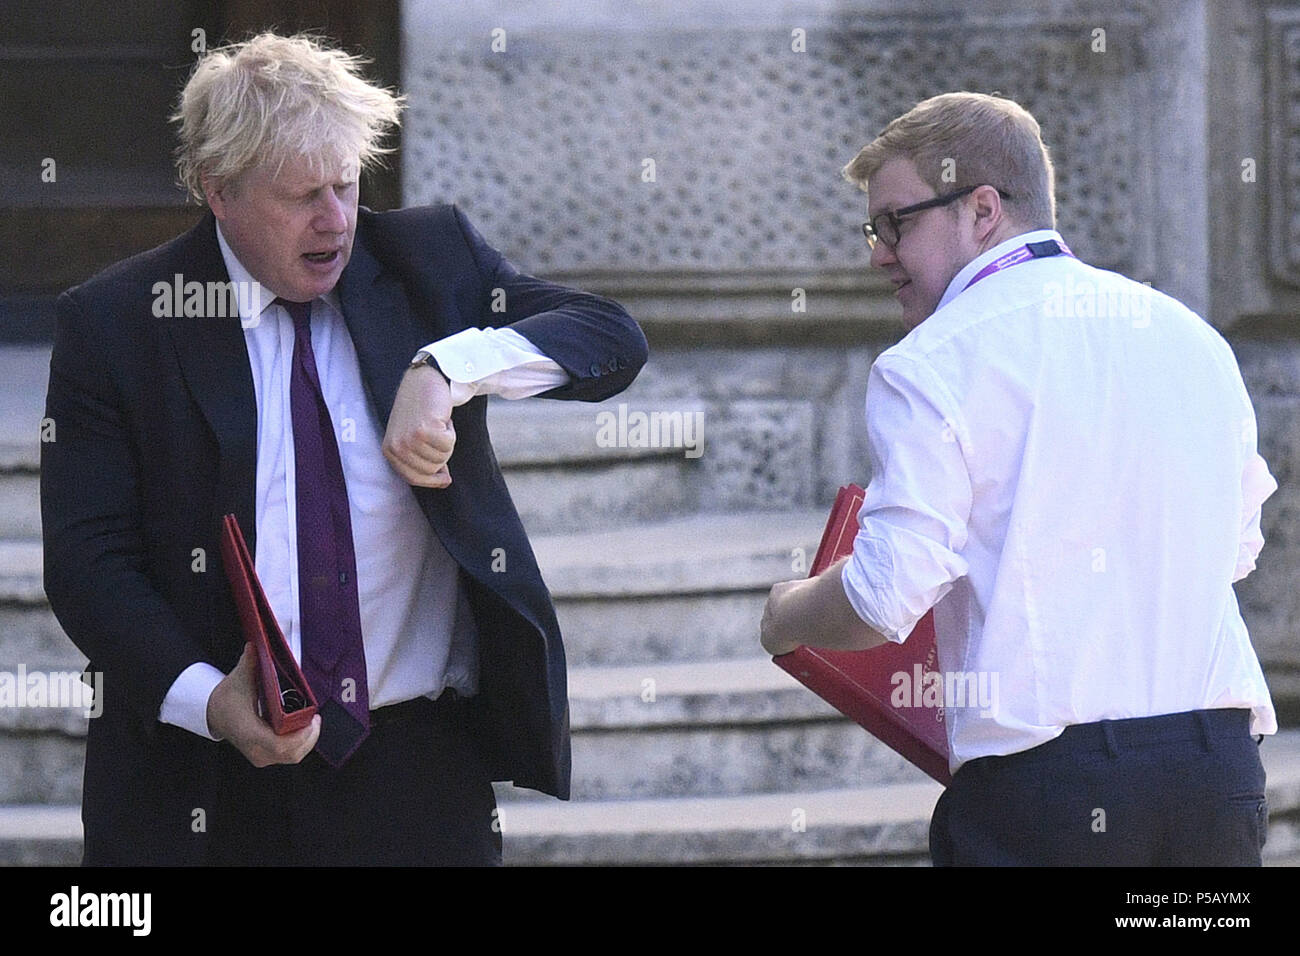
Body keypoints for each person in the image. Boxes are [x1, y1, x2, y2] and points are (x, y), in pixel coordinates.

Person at [40, 32, 647, 866]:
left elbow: (611, 339)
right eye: (301, 197)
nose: (336, 221)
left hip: (415, 769)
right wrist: (211, 702)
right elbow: (87, 563)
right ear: (218, 192)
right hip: (201, 777)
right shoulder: (116, 323)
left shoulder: (428, 259)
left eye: (347, 185)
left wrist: (447, 367)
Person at [760, 91, 1277, 865]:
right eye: (874, 228)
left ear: (983, 208)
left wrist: (788, 614)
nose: (877, 252)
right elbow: (1233, 552)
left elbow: (880, 598)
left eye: (896, 221)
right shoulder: (1191, 337)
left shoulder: (932, 362)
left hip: (1055, 795)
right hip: (1218, 776)